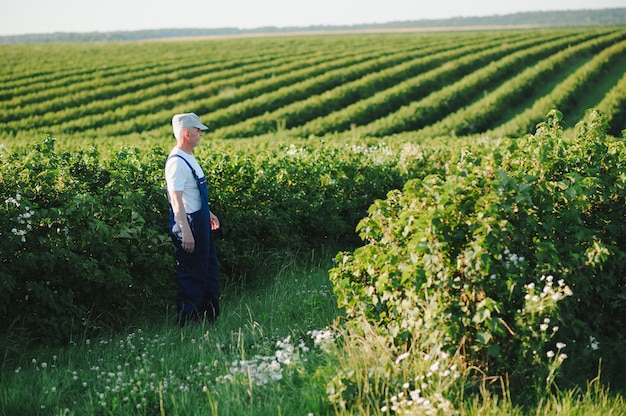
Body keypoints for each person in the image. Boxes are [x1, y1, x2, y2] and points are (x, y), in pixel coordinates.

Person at [165, 112, 220, 326]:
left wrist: (208, 212)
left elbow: (192, 194)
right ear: (187, 133)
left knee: (208, 272)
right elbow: (176, 200)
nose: (200, 134)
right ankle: (189, 325)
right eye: (198, 131)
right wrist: (185, 231)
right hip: (189, 226)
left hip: (199, 222)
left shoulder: (189, 157)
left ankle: (209, 321)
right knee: (193, 277)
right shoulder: (176, 162)